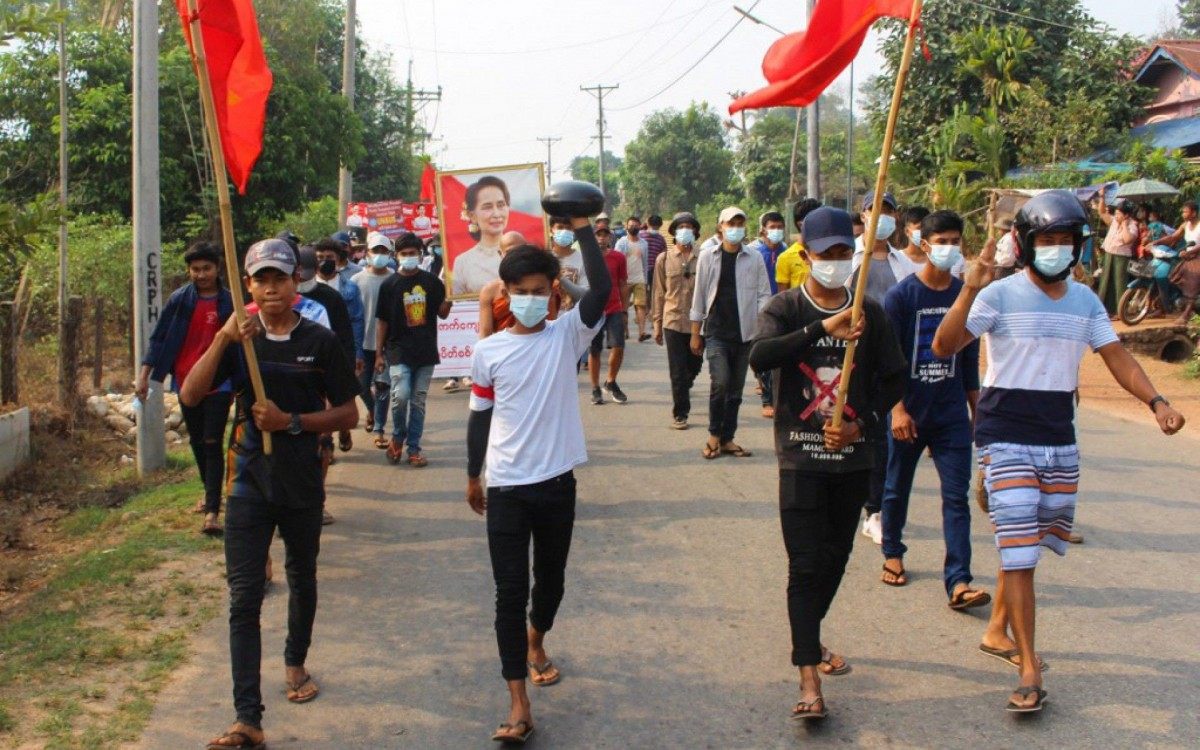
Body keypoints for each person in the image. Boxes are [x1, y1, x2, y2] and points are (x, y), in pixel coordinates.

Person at [932, 190, 1185, 713]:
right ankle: (1027, 667)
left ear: (1078, 247)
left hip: (1057, 440)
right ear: (1025, 245)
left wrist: (1157, 401)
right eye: (1046, 240)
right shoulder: (998, 296)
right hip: (1003, 435)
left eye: (1065, 241)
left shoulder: (1086, 302)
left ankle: (998, 627)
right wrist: (967, 292)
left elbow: (1117, 358)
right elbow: (944, 345)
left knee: (1028, 546)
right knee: (1019, 550)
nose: (1056, 249)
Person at [181, 239, 359, 750]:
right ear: (249, 287)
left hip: (303, 480)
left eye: (280, 278)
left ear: (295, 282)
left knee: (302, 576)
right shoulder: (241, 340)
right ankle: (248, 720)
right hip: (248, 485)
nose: (271, 287)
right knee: (243, 598)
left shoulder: (319, 340)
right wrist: (221, 340)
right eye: (261, 280)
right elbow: (192, 395)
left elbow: (348, 414)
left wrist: (293, 422)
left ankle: (295, 663)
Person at [749, 206, 907, 722]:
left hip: (852, 460)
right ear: (806, 254)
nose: (836, 263)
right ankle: (809, 679)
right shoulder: (785, 307)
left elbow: (893, 379)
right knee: (805, 565)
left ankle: (808, 638)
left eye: (845, 253)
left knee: (835, 562)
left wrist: (863, 424)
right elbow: (761, 357)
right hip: (800, 459)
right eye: (826, 255)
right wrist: (822, 329)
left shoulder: (873, 314)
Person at [465, 211, 612, 744]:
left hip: (555, 485)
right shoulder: (488, 350)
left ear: (553, 293)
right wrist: (471, 474)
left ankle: (537, 638)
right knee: (508, 591)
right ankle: (518, 701)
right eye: (520, 290)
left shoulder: (565, 337)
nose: (530, 299)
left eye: (540, 290)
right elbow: (480, 414)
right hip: (505, 488)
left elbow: (602, 292)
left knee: (550, 582)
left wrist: (583, 228)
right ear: (505, 292)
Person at [879, 210, 990, 611]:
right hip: (909, 410)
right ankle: (892, 550)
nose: (949, 248)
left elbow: (969, 362)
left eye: (955, 241)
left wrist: (979, 415)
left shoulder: (965, 296)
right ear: (924, 245)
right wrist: (898, 411)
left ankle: (959, 580)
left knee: (956, 498)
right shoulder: (901, 297)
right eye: (941, 241)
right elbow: (888, 362)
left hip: (949, 415)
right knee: (896, 487)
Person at [138, 241, 234, 536]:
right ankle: (210, 493)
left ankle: (212, 513)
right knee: (196, 440)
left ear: (217, 268)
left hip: (220, 381)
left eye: (206, 268)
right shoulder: (180, 300)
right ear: (188, 271)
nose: (201, 274)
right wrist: (144, 376)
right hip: (185, 381)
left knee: (211, 441)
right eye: (195, 269)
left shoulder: (230, 303)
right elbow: (159, 339)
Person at [850, 191, 917, 546]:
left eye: (888, 210)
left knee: (883, 440)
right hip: (853, 360)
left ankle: (876, 510)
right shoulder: (847, 258)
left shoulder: (903, 265)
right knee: (856, 435)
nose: (881, 215)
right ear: (861, 216)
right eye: (874, 208)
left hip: (891, 360)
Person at [690, 206, 772, 459]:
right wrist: (695, 332)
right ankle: (714, 434)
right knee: (721, 383)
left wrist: (761, 329)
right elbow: (700, 294)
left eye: (739, 223)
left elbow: (764, 295)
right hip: (715, 331)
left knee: (736, 390)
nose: (735, 228)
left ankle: (728, 438)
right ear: (720, 227)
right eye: (730, 223)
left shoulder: (754, 257)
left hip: (745, 334)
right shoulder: (707, 255)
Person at [375, 232, 452, 467]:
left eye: (412, 253)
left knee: (418, 401)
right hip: (398, 350)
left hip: (426, 350)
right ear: (396, 256)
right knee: (401, 396)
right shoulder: (389, 285)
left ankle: (414, 448)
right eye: (404, 254)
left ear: (420, 254)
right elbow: (382, 322)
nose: (409, 257)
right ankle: (398, 436)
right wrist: (379, 353)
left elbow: (443, 313)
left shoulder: (432, 282)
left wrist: (451, 296)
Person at [653, 212, 704, 429]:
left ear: (695, 231)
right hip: (672, 320)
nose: (685, 229)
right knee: (677, 370)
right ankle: (680, 413)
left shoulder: (704, 258)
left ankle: (686, 382)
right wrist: (656, 323)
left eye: (689, 226)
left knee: (695, 364)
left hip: (698, 322)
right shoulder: (663, 259)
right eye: (681, 226)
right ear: (674, 231)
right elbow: (658, 292)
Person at [314, 238, 365, 452]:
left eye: (329, 258)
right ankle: (326, 441)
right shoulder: (305, 289)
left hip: (342, 350)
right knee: (321, 398)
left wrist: (358, 354)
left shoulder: (349, 287)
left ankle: (343, 428)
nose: (324, 262)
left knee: (341, 396)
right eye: (320, 258)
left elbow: (357, 321)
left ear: (338, 260)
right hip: (314, 352)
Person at [352, 234, 395, 448]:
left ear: (389, 254)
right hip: (362, 344)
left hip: (387, 345)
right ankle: (371, 410)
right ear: (367, 253)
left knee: (382, 386)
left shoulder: (395, 278)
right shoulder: (356, 281)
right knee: (360, 386)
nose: (379, 255)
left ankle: (379, 429)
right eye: (375, 251)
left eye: (383, 251)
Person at [751, 211, 789, 418]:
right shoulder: (753, 252)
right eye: (772, 227)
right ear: (763, 229)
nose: (776, 231)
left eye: (779, 227)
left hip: (781, 308)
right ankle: (767, 397)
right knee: (762, 353)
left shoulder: (788, 252)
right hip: (759, 309)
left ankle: (774, 395)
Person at [588, 225, 629, 404]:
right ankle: (595, 388)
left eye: (605, 235)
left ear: (610, 238)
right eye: (598, 235)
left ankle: (611, 381)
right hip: (594, 310)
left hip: (614, 309)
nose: (602, 238)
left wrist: (625, 309)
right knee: (595, 350)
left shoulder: (618, 257)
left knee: (618, 346)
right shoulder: (587, 258)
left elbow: (622, 283)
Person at [452, 175, 510, 296]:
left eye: (501, 205)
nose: (496, 213)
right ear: (472, 216)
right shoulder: (462, 262)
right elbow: (460, 304)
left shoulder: (525, 253)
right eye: (487, 207)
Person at [1157, 200, 1200, 322]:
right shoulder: (1185, 225)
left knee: (1192, 282)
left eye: (1186, 212)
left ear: (1194, 213)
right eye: (1183, 212)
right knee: (1173, 277)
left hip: (1197, 258)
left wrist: (1189, 252)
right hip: (1188, 257)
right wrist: (1155, 242)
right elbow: (1173, 237)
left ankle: (1185, 315)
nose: (1183, 214)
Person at [1096, 199, 1139, 318]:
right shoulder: (1114, 221)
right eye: (1116, 213)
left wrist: (1124, 224)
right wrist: (1102, 197)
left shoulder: (1133, 225)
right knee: (1106, 282)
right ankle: (1105, 310)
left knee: (1119, 283)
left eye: (1119, 214)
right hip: (1109, 254)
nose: (1116, 215)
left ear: (1126, 215)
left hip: (1121, 257)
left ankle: (1121, 312)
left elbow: (1127, 240)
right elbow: (1102, 212)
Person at [615, 215, 650, 341]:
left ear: (640, 226)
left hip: (639, 278)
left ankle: (642, 332)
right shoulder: (621, 243)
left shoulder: (644, 244)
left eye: (636, 225)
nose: (633, 227)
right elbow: (616, 261)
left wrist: (645, 280)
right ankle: (625, 331)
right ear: (626, 227)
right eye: (631, 225)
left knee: (641, 305)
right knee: (623, 307)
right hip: (624, 280)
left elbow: (645, 263)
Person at [776, 198, 821, 292]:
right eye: (817, 220)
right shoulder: (785, 257)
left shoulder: (827, 252)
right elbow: (783, 295)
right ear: (801, 224)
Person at [643, 213, 667, 287]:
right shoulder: (661, 239)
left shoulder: (640, 235)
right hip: (648, 268)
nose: (655, 228)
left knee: (648, 291)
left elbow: (664, 253)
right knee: (649, 291)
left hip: (649, 269)